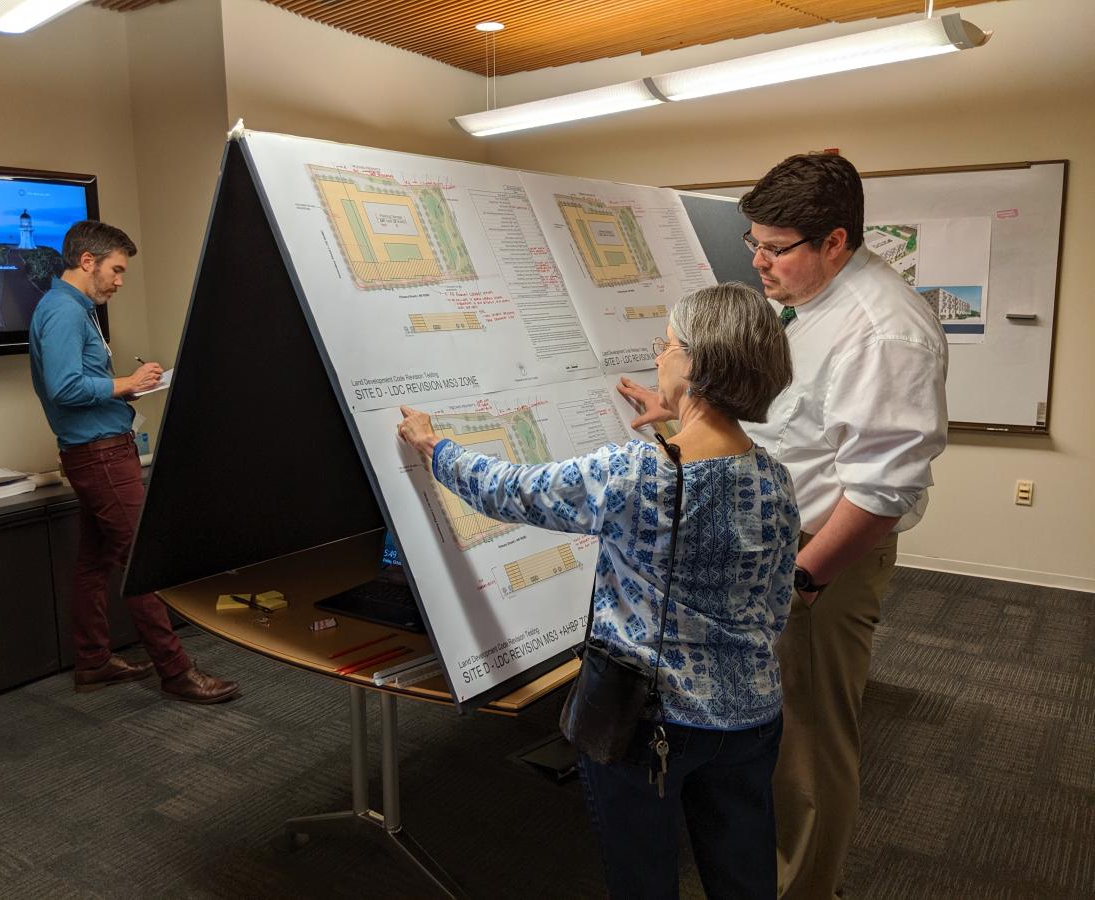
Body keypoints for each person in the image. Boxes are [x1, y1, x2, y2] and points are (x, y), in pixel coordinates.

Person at [399, 283, 800, 900]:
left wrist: (435, 446)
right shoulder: (773, 478)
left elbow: (512, 489)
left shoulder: (636, 472)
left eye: (665, 346)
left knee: (642, 879)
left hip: (646, 719)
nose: (658, 357)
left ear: (696, 365)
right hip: (751, 716)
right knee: (744, 877)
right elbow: (776, 605)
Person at [621, 153, 949, 898]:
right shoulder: (809, 299)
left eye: (777, 248)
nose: (759, 263)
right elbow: (790, 425)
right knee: (762, 728)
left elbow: (880, 494)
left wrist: (802, 583)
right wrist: (684, 411)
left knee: (807, 742)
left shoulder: (882, 332)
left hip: (821, 555)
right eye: (753, 243)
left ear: (836, 241)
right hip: (770, 539)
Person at [29, 220, 238, 704]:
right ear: (88, 262)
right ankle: (176, 671)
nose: (120, 280)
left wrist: (129, 385)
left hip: (95, 451)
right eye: (116, 270)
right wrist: (128, 383)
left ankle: (94, 662)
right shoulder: (63, 312)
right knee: (141, 563)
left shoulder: (69, 308)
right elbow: (64, 388)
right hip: (100, 456)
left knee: (93, 562)